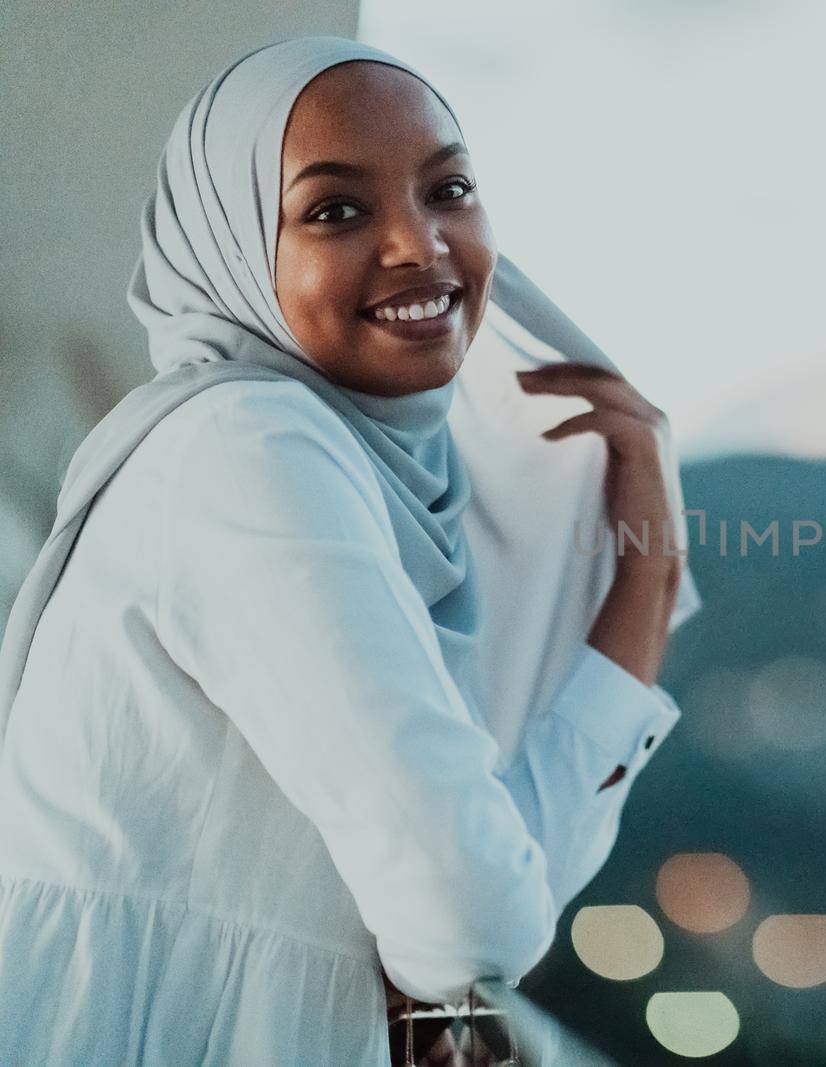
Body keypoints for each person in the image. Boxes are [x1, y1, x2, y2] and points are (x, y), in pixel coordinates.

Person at [0, 36, 698, 1066]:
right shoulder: (249, 444)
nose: (418, 244)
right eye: (334, 208)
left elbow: (495, 885)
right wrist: (454, 935)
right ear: (234, 249)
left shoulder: (350, 472)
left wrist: (646, 567)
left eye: (447, 188)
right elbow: (474, 917)